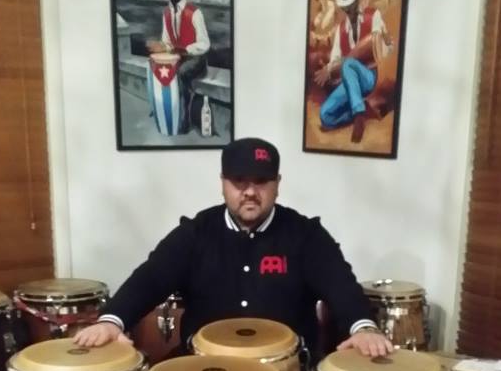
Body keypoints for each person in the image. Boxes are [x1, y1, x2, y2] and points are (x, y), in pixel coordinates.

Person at [73, 137, 392, 358]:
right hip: (204, 370)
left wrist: (363, 327)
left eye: (261, 181)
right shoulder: (195, 233)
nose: (250, 191)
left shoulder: (306, 235)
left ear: (277, 184)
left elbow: (341, 286)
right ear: (223, 182)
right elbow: (150, 279)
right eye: (239, 181)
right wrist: (111, 320)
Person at [314, 0, 392, 144]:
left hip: (367, 76)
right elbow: (336, 58)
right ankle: (361, 110)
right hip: (349, 82)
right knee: (325, 115)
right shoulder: (341, 29)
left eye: (351, 4)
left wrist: (384, 42)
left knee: (348, 63)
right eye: (345, 6)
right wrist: (329, 69)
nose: (348, 10)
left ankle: (358, 115)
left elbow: (386, 47)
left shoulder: (373, 16)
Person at [146, 0, 210, 134]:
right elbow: (167, 42)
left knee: (180, 74)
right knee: (154, 66)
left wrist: (184, 50)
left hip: (196, 59)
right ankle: (163, 109)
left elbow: (204, 44)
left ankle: (184, 120)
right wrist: (161, 47)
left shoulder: (195, 12)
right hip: (179, 58)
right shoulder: (166, 13)